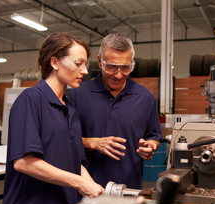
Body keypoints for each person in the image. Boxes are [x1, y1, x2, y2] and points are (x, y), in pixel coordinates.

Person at [0, 32, 104, 204]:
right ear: (55, 62)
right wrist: (80, 183)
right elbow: (24, 163)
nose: (84, 71)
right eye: (78, 63)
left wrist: (94, 189)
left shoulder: (70, 109)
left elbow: (76, 163)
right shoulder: (30, 100)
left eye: (85, 64)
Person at [69, 33, 162, 189]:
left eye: (125, 68)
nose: (118, 75)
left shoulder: (145, 97)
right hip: (86, 189)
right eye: (111, 67)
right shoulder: (79, 94)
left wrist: (150, 146)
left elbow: (154, 136)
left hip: (129, 189)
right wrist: (92, 143)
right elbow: (65, 140)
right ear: (100, 62)